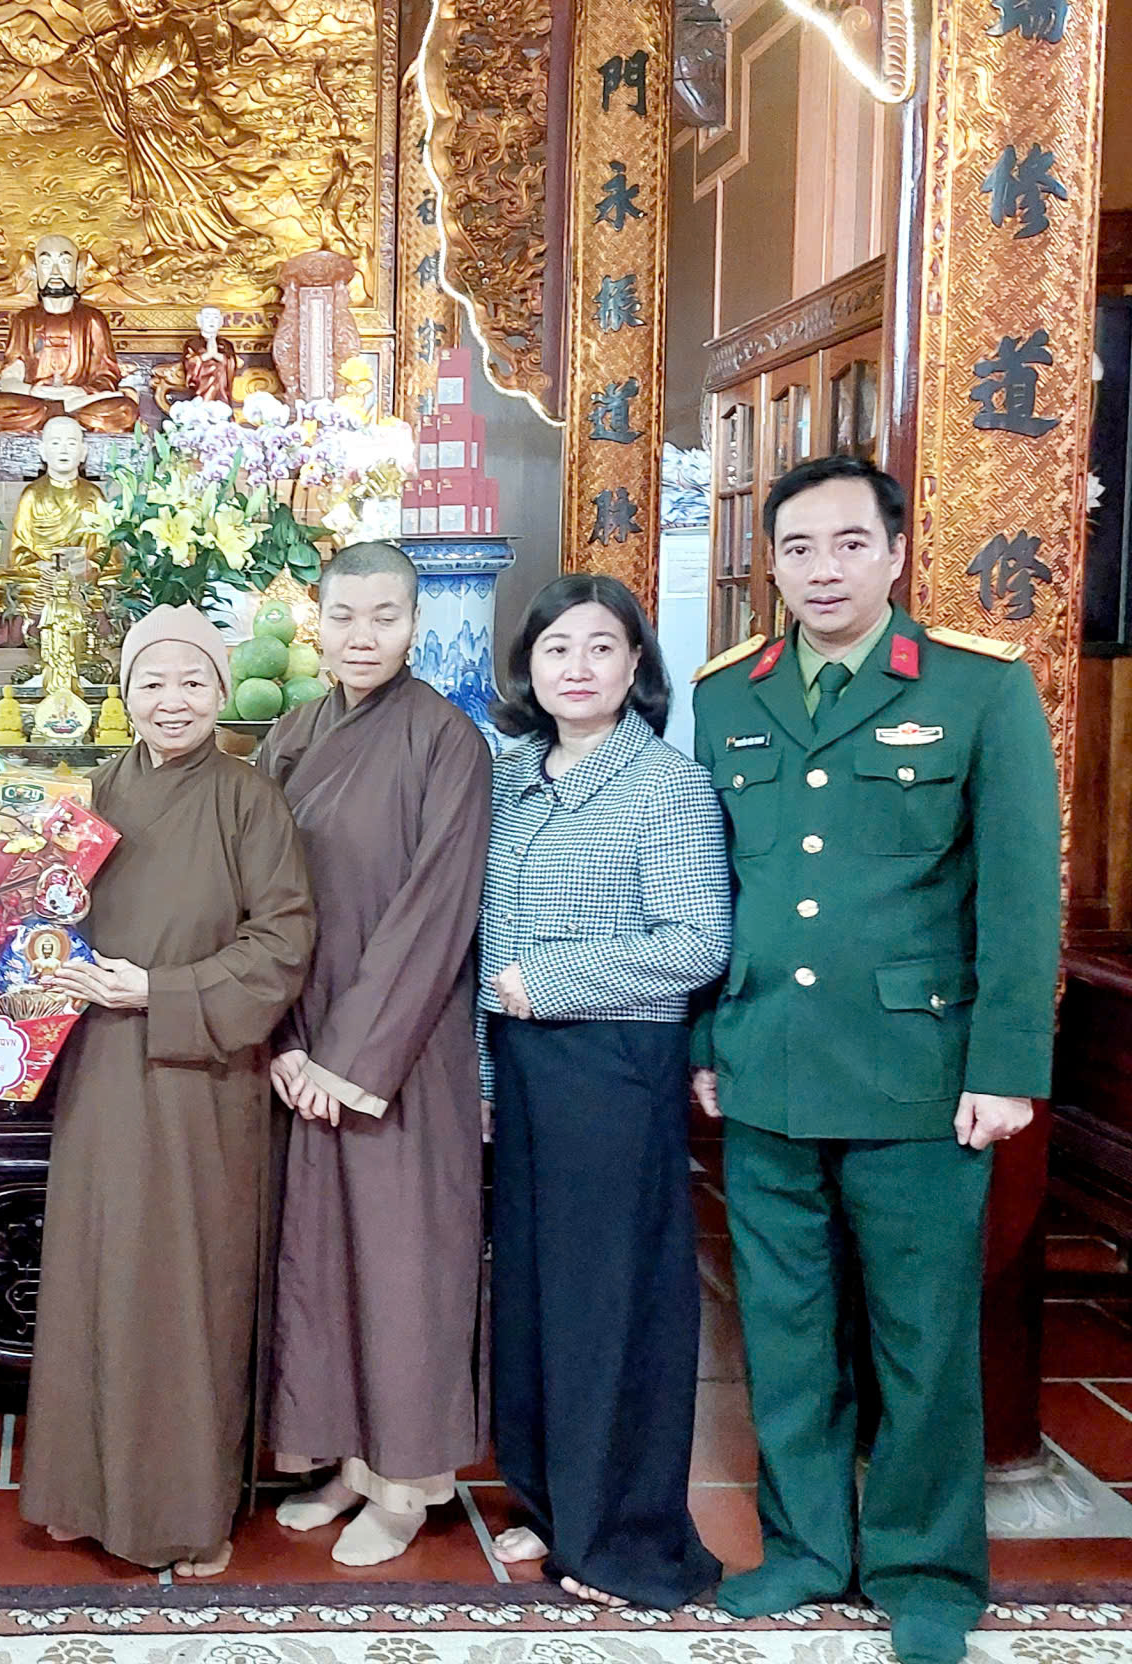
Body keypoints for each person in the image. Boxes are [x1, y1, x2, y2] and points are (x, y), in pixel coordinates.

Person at [690, 454, 1058, 1664]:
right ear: (772, 564)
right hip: (765, 1063)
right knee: (785, 1330)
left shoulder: (976, 687)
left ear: (895, 553)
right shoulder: (728, 696)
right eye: (798, 548)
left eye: (849, 543)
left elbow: (1020, 893)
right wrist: (706, 1035)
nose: (823, 569)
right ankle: (805, 1547)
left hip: (919, 1072)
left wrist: (1005, 1066)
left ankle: (924, 1567)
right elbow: (714, 885)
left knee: (922, 1336)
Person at [20, 604, 317, 1577]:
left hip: (200, 1076)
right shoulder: (91, 794)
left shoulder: (249, 799)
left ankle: (186, 1514)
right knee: (94, 1272)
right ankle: (82, 1493)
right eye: (152, 681)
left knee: (189, 1286)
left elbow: (283, 941)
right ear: (126, 692)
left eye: (193, 681)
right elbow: (41, 917)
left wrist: (162, 991)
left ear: (222, 692)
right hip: (101, 1070)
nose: (172, 700)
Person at [477, 574, 730, 1609]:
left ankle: (621, 1533)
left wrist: (551, 982)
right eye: (556, 649)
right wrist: (485, 1071)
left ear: (635, 665)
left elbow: (696, 942)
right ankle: (549, 1500)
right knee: (532, 1294)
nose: (576, 668)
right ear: (527, 668)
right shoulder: (507, 778)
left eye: (600, 647)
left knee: (610, 1303)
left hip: (614, 1066)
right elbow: (483, 942)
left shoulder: (666, 786)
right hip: (522, 1062)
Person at [253, 540, 491, 1568]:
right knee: (324, 1264)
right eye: (344, 616)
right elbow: (254, 885)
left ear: (414, 622)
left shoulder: (448, 740)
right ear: (318, 621)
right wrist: (280, 1037)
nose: (363, 636)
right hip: (304, 1037)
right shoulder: (293, 730)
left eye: (385, 616)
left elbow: (435, 913)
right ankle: (349, 1460)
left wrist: (345, 1057)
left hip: (399, 1050)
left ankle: (407, 1484)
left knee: (404, 1267)